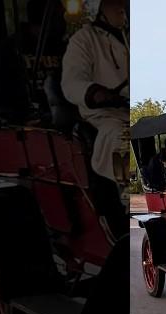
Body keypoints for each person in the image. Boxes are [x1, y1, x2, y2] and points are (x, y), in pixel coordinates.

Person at [61, 0, 129, 183]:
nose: (122, 6)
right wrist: (94, 92)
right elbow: (71, 82)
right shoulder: (83, 39)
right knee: (119, 135)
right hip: (105, 114)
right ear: (96, 8)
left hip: (133, 111)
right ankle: (124, 197)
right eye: (115, 3)